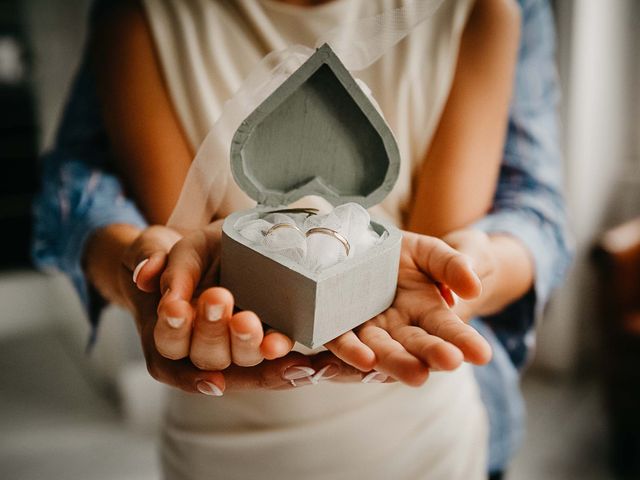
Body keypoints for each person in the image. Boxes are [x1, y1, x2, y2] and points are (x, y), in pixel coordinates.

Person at [33, 0, 572, 478]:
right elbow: (174, 243)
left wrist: (474, 268)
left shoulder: (484, 11)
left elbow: (484, 227)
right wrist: (144, 274)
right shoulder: (139, 16)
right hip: (225, 435)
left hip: (418, 437)